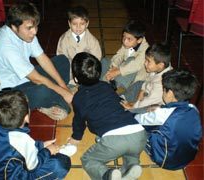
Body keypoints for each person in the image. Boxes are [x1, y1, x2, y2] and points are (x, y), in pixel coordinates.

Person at [67, 52, 147, 180]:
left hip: (113, 140)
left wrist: (76, 137)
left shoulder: (78, 98)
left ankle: (107, 175)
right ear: (99, 73)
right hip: (139, 134)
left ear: (76, 79)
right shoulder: (106, 86)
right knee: (130, 151)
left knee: (88, 160)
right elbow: (116, 102)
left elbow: (79, 122)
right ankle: (132, 165)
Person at [0, 2, 72, 120]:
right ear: (14, 27)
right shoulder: (5, 46)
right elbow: (36, 78)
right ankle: (51, 103)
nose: (35, 31)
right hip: (11, 91)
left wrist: (64, 87)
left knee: (63, 61)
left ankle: (55, 98)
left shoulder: (26, 34)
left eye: (35, 26)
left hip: (26, 77)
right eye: (29, 28)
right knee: (43, 90)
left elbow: (42, 58)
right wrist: (64, 92)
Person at [0, 90, 71, 179]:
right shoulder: (22, 139)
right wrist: (48, 151)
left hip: (0, 174)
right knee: (61, 164)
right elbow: (33, 167)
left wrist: (42, 145)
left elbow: (17, 150)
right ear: (27, 118)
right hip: (15, 177)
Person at [135, 69, 202, 170]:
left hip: (166, 161)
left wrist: (135, 114)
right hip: (187, 158)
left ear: (170, 93)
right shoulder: (194, 109)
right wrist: (160, 110)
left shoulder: (162, 115)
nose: (163, 92)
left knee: (137, 128)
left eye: (164, 89)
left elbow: (138, 120)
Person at [121, 43, 173, 113]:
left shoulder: (161, 83)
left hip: (156, 104)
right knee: (139, 83)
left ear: (160, 65)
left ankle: (128, 106)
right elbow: (147, 80)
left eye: (148, 61)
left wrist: (133, 106)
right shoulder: (159, 68)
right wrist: (142, 91)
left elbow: (150, 101)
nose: (145, 63)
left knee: (138, 110)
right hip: (149, 91)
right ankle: (124, 98)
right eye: (146, 60)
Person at [56, 6, 102, 81]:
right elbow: (61, 58)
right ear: (69, 24)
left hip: (87, 71)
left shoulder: (92, 41)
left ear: (87, 24)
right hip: (70, 71)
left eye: (82, 24)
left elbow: (96, 58)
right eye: (74, 24)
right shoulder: (63, 39)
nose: (78, 27)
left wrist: (87, 70)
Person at [101, 20, 149, 91]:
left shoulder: (146, 49)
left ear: (139, 40)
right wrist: (114, 67)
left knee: (131, 60)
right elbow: (119, 55)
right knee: (105, 60)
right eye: (124, 37)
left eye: (129, 39)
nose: (125, 41)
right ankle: (102, 81)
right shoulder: (128, 43)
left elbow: (135, 66)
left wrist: (117, 72)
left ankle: (113, 85)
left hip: (132, 77)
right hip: (122, 69)